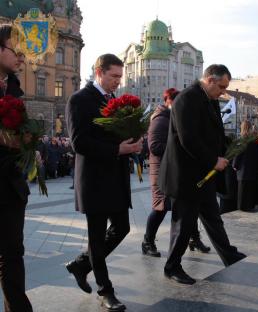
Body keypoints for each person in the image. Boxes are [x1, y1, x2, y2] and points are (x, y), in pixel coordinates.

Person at [65, 54, 142, 311]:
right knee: (97, 238)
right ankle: (105, 290)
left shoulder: (113, 101)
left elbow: (115, 135)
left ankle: (81, 264)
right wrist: (116, 149)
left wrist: (133, 142)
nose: (118, 82)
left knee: (122, 228)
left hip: (116, 178)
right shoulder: (79, 100)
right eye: (114, 76)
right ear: (99, 72)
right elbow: (79, 143)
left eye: (120, 77)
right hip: (94, 180)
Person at [159, 64, 246, 285]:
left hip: (203, 174)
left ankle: (230, 256)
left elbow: (213, 132)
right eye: (222, 86)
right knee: (184, 223)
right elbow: (188, 139)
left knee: (213, 218)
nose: (224, 92)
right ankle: (172, 267)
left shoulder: (211, 99)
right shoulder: (186, 99)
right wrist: (213, 160)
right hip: (185, 175)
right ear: (209, 80)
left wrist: (231, 146)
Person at [142, 88, 210, 258]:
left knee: (187, 206)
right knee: (160, 208)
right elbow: (155, 147)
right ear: (170, 101)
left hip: (176, 169)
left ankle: (194, 239)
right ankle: (147, 242)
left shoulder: (175, 118)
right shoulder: (160, 120)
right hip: (160, 171)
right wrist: (179, 148)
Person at [0, 24, 33, 312]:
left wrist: (24, 140)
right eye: (16, 51)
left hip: (10, 186)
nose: (21, 57)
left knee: (13, 254)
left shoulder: (14, 87)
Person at [232, 120, 258, 212]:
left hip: (242, 169)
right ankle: (250, 205)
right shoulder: (254, 141)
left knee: (242, 190)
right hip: (252, 169)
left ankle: (241, 207)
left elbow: (237, 154)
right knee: (250, 188)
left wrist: (234, 165)